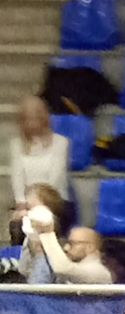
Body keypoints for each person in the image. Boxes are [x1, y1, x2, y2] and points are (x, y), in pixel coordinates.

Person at [8, 94, 70, 230]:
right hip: (28, 203)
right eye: (27, 118)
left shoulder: (61, 142)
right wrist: (21, 202)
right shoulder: (16, 144)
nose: (32, 122)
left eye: (35, 117)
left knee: (44, 218)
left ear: (43, 118)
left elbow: (55, 177)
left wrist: (40, 202)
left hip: (55, 201)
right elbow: (17, 176)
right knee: (18, 222)